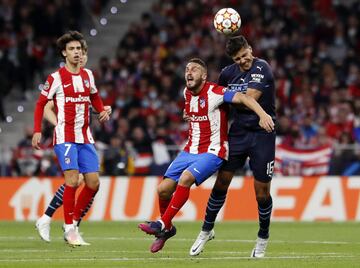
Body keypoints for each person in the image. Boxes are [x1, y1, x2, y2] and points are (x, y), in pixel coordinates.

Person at [138, 58, 274, 253]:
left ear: (203, 76)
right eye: (187, 69)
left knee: (186, 179)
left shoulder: (216, 92)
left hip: (213, 150)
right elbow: (193, 110)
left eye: (194, 69)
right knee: (163, 190)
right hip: (189, 149)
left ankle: (162, 223)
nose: (189, 72)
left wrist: (262, 114)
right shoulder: (187, 93)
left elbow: (244, 98)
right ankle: (167, 229)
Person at [189, 35, 276, 258]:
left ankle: (262, 237)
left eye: (245, 56)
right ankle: (206, 230)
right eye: (238, 59)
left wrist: (262, 115)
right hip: (237, 133)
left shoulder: (261, 67)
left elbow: (249, 97)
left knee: (261, 192)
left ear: (250, 49)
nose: (243, 61)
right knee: (222, 181)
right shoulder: (228, 73)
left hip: (262, 134)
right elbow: (214, 100)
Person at [32, 31, 109, 246]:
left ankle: (66, 221)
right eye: (72, 49)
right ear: (64, 53)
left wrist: (101, 110)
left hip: (85, 136)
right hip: (64, 136)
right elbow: (41, 104)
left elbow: (94, 95)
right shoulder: (55, 78)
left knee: (93, 183)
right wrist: (37, 130)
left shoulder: (88, 75)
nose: (76, 52)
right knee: (73, 181)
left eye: (79, 49)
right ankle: (69, 228)